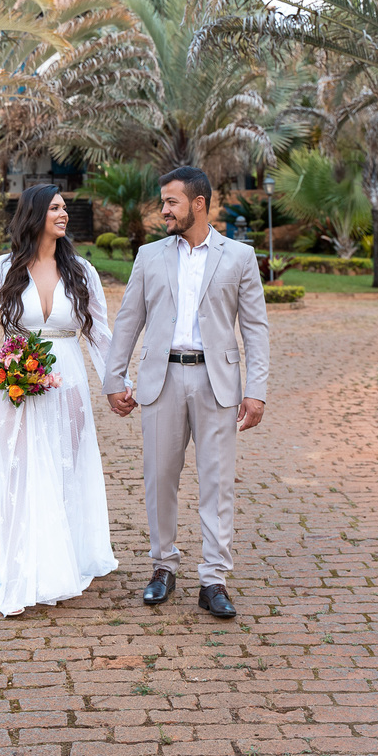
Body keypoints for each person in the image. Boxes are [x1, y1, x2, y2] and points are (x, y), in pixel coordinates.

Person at [103, 166, 269, 619]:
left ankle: (213, 578)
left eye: (171, 202)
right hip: (161, 381)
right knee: (159, 477)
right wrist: (114, 379)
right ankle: (163, 567)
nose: (163, 211)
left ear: (198, 203)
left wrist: (256, 390)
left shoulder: (238, 256)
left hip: (218, 383)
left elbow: (255, 328)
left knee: (217, 483)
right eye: (163, 202)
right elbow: (128, 320)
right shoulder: (149, 256)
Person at [0, 183, 119, 617]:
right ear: (35, 214)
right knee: (22, 469)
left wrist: (115, 384)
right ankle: (25, 562)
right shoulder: (1, 268)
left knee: (67, 465)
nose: (64, 214)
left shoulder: (82, 271)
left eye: (65, 207)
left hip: (68, 378)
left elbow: (99, 333)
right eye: (55, 207)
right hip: (18, 379)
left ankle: (65, 558)